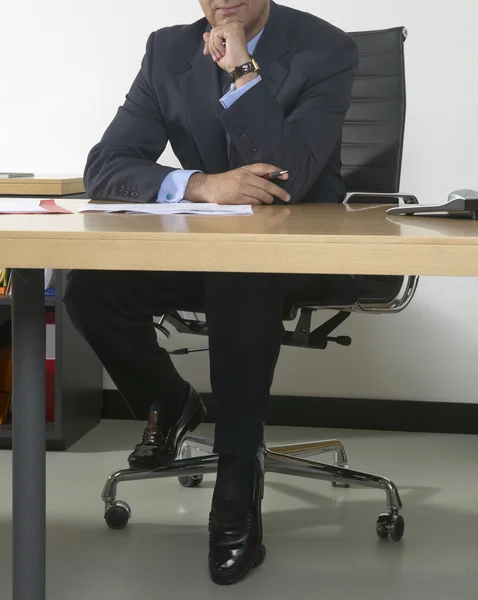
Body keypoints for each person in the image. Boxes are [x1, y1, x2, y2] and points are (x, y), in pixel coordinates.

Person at [64, 0, 358, 586]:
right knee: (90, 286)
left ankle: (234, 480)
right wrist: (199, 184)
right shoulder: (167, 49)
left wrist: (242, 71)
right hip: (212, 244)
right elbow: (106, 166)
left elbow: (289, 176)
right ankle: (169, 402)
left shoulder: (326, 48)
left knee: (239, 277)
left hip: (303, 252)